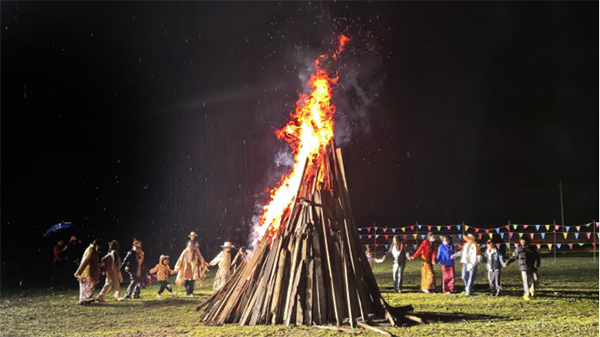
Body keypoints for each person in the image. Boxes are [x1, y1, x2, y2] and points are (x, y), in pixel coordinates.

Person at [505, 236, 540, 301]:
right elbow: (513, 257)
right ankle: (526, 294)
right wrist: (507, 263)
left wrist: (537, 263)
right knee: (526, 281)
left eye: (523, 240)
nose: (522, 241)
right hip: (523, 267)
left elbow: (537, 257)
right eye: (521, 240)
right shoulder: (518, 249)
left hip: (532, 266)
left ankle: (532, 289)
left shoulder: (532, 248)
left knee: (536, 279)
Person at [74, 239, 103, 305]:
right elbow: (85, 262)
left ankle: (84, 299)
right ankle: (85, 299)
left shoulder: (91, 249)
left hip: (86, 271)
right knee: (88, 286)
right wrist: (79, 272)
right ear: (97, 245)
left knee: (85, 286)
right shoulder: (91, 250)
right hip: (88, 272)